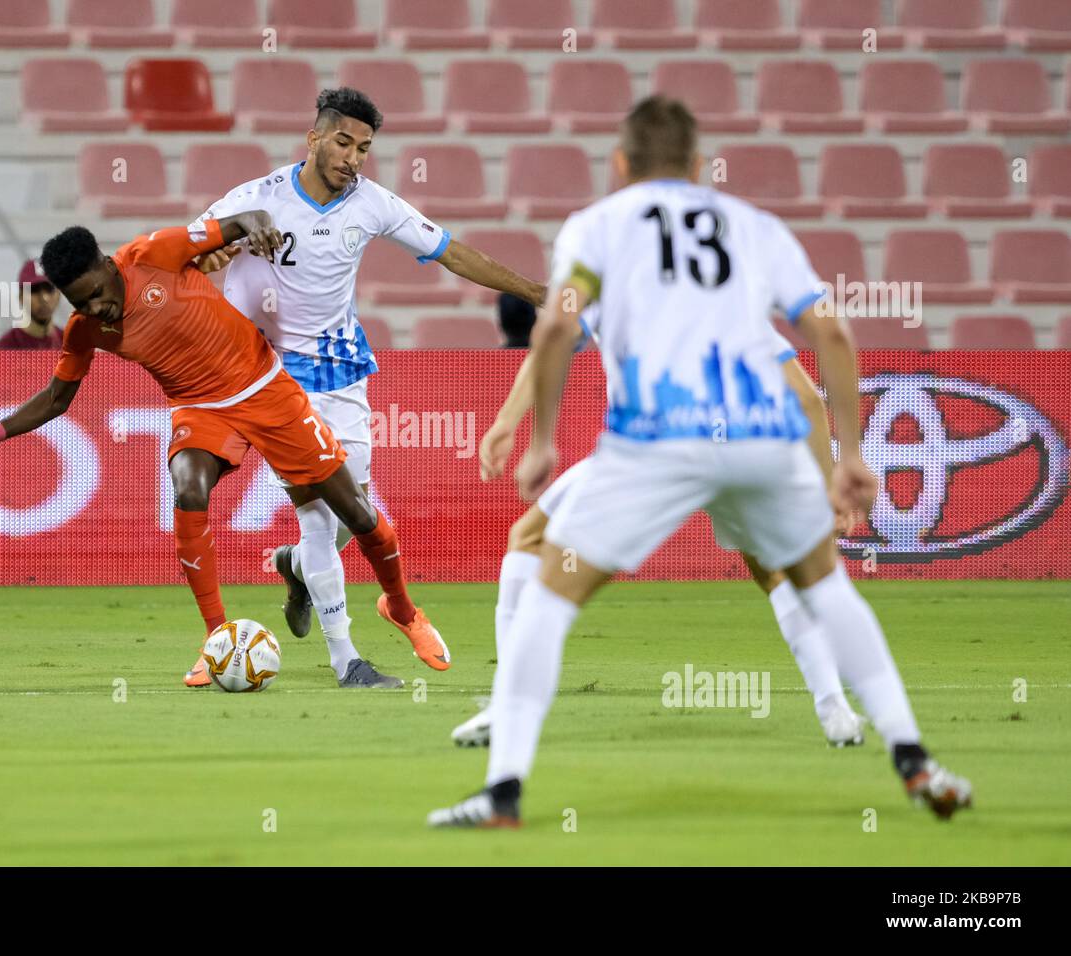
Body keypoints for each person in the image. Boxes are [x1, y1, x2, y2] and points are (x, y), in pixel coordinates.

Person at [428, 96, 971, 828]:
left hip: (655, 438)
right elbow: (832, 333)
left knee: (549, 598)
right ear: (696, 166)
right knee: (825, 585)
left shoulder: (598, 226)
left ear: (620, 164)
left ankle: (503, 793)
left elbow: (557, 324)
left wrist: (540, 439)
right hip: (757, 436)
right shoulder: (755, 228)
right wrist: (852, 457)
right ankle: (913, 757)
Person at [0, 213, 440, 690]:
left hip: (264, 388)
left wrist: (258, 231)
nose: (93, 311)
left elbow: (244, 221)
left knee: (354, 510)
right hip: (198, 408)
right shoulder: (88, 329)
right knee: (188, 488)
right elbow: (58, 398)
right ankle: (217, 639)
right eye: (79, 305)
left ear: (108, 267)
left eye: (96, 296)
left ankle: (400, 606)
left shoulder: (156, 252)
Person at [450, 209, 865, 749]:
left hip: (646, 454)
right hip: (733, 453)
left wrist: (509, 424)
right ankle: (836, 711)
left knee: (529, 540)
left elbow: (554, 337)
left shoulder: (601, 287)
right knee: (774, 574)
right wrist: (827, 483)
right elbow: (806, 397)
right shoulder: (724, 303)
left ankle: (510, 706)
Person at [190, 87, 545, 684]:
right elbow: (188, 255)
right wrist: (225, 243)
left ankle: (297, 569)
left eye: (365, 148)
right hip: (264, 372)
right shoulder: (255, 200)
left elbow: (452, 254)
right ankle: (345, 658)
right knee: (319, 516)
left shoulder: (373, 204)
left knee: (356, 512)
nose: (354, 157)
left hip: (339, 370)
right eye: (344, 142)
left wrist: (538, 293)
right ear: (314, 138)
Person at [0, 259, 63, 350]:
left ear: (59, 294)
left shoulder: (73, 346)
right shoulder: (4, 350)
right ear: (21, 297)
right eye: (34, 290)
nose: (44, 298)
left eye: (49, 289)